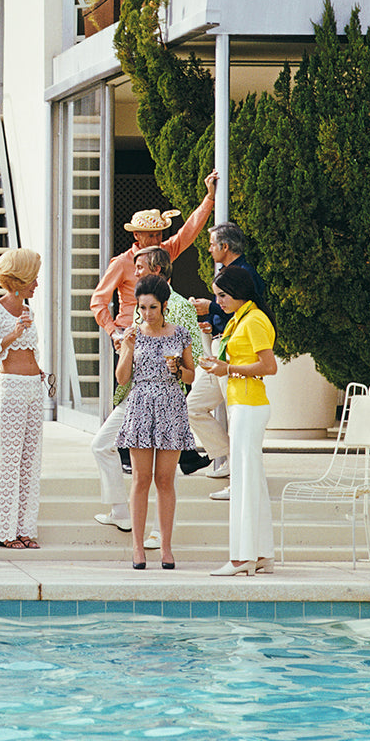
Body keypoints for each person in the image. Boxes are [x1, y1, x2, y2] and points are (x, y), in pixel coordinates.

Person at [89, 171, 219, 529]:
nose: (160, 238)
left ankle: (147, 484)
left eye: (162, 233)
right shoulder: (123, 262)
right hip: (133, 343)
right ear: (139, 236)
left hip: (164, 351)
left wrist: (209, 199)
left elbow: (189, 232)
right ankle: (134, 491)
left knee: (130, 422)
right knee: (122, 408)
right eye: (153, 233)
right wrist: (115, 331)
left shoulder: (161, 256)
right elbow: (98, 301)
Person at [90, 247, 200, 538]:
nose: (135, 272)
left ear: (158, 271)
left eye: (140, 267)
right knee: (108, 450)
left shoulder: (181, 310)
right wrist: (124, 343)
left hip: (168, 399)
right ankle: (122, 513)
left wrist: (178, 377)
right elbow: (124, 370)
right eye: (135, 266)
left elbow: (194, 361)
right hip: (136, 397)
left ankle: (158, 533)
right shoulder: (137, 318)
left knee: (164, 477)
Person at [199, 266, 279, 577]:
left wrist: (227, 369)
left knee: (244, 483)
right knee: (252, 480)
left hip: (249, 404)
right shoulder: (242, 318)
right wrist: (222, 365)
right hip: (243, 403)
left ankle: (243, 557)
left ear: (238, 293)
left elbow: (268, 366)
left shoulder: (254, 320)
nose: (218, 301)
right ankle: (260, 554)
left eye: (222, 295)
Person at [113, 274, 196, 569]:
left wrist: (177, 370)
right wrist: (128, 348)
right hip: (140, 405)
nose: (147, 314)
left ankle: (166, 547)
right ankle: (137, 548)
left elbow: (190, 376)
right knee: (141, 480)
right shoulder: (132, 334)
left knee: (165, 480)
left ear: (164, 306)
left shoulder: (180, 334)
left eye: (153, 308)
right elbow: (122, 378)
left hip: (171, 405)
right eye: (143, 307)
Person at [0, 248, 46, 550]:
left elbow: (31, 351)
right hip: (11, 388)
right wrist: (13, 334)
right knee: (9, 460)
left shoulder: (28, 310)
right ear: (20, 280)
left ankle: (25, 528)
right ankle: (5, 531)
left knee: (31, 460)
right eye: (33, 280)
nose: (37, 286)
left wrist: (39, 370)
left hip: (33, 388)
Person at [188, 222, 266, 488]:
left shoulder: (243, 273)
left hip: (235, 357)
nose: (209, 249)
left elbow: (246, 310)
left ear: (225, 246)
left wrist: (210, 306)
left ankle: (238, 476)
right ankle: (229, 459)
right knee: (193, 406)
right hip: (222, 349)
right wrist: (212, 322)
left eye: (212, 244)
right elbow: (230, 314)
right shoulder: (231, 271)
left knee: (236, 416)